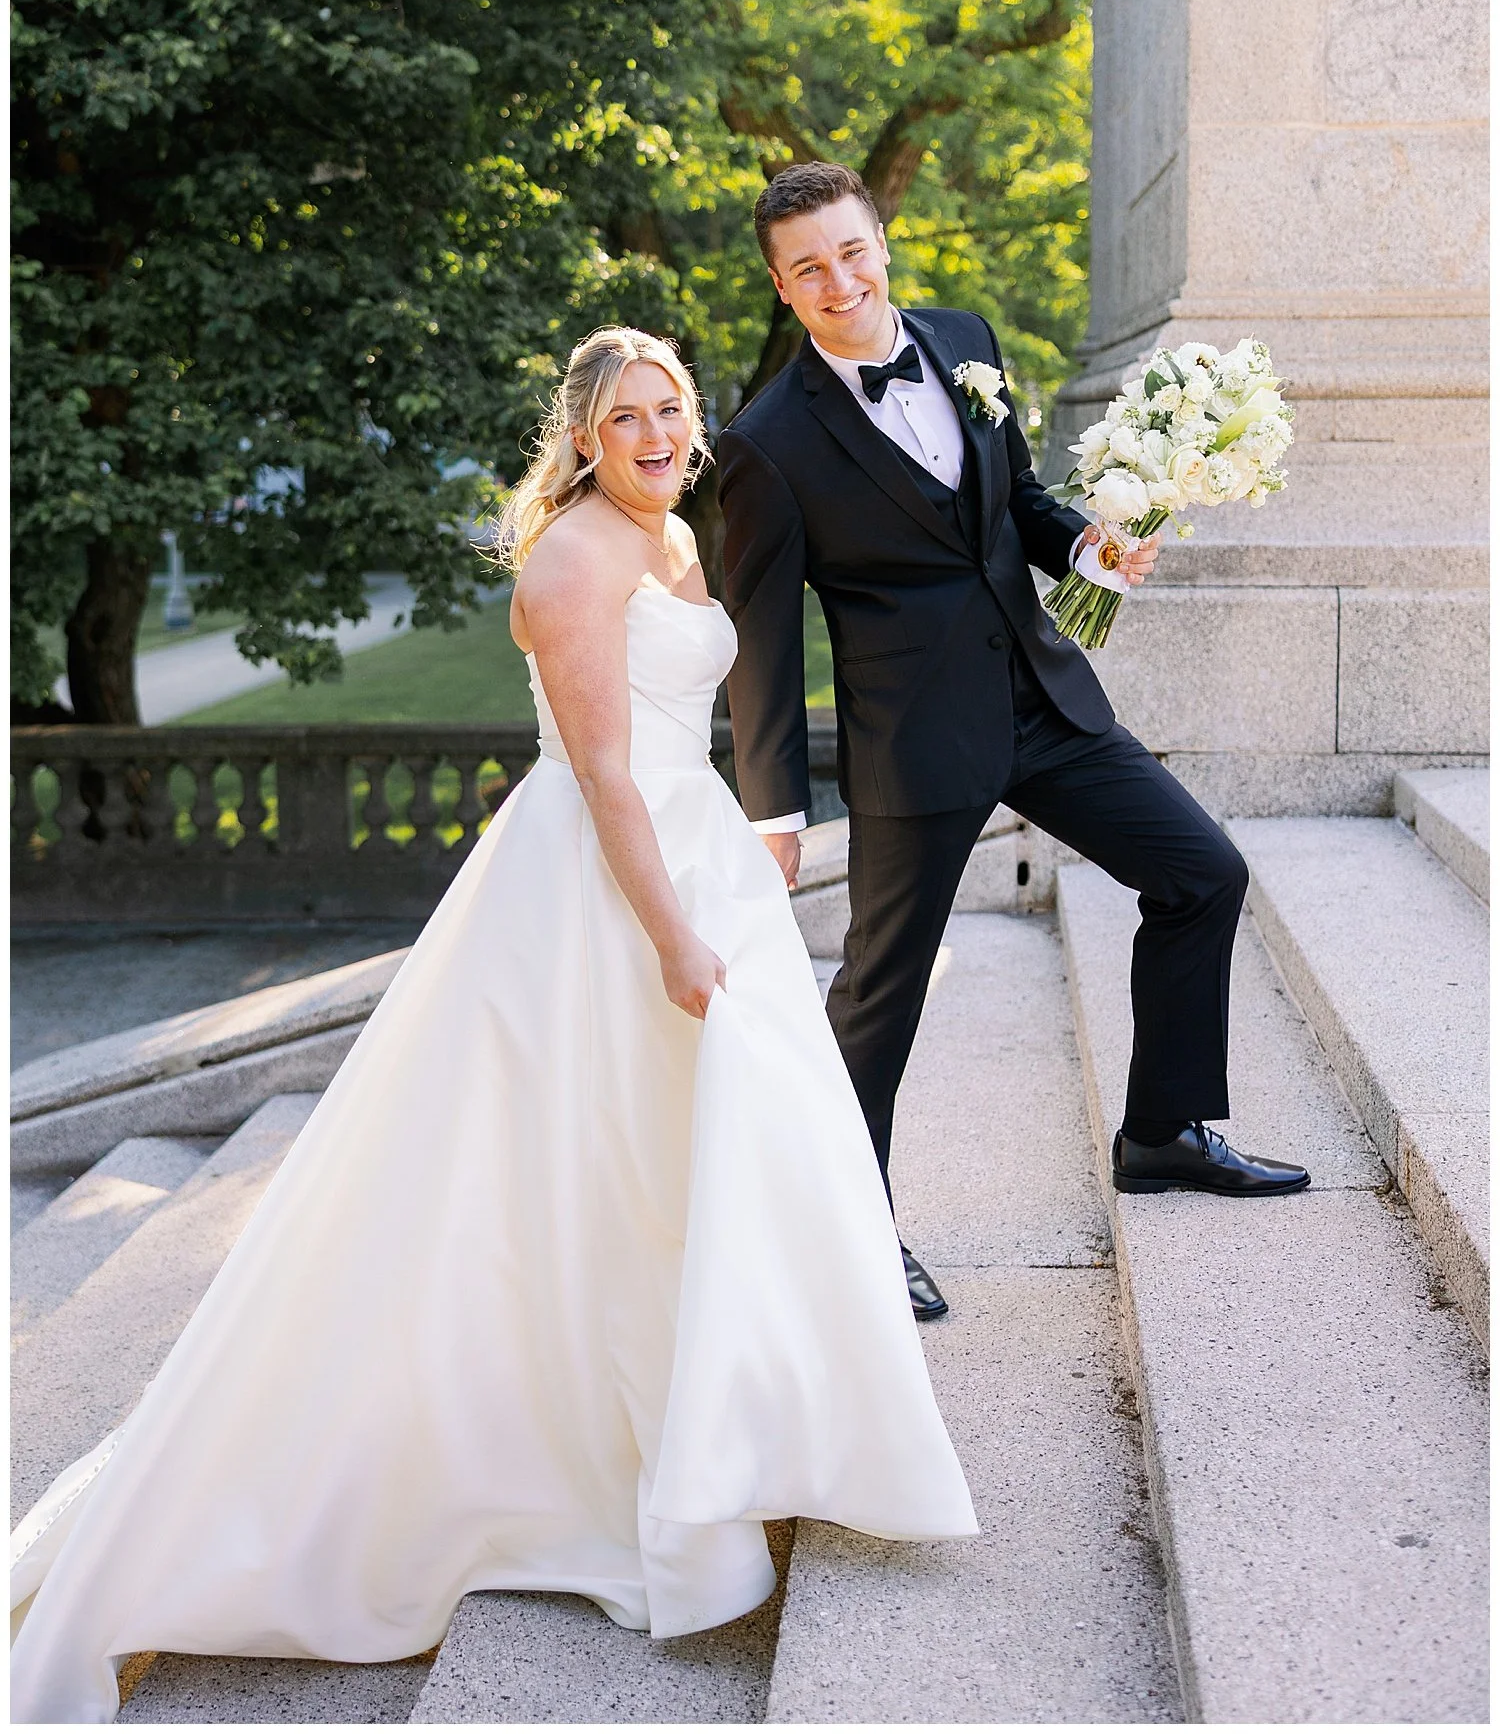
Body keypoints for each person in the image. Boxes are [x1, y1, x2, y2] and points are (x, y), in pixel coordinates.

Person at [10, 325, 976, 1726]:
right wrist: (674, 940)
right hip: (608, 889)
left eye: (672, 411)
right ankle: (630, 1460)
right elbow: (602, 779)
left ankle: (749, 1438)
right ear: (581, 435)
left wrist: (738, 855)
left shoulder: (671, 538)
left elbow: (685, 730)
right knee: (599, 1174)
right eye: (627, 417)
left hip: (696, 852)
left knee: (717, 1165)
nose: (656, 435)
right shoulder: (574, 562)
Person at [718, 163, 1309, 1324]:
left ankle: (1161, 1131)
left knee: (1202, 872)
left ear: (881, 240)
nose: (839, 280)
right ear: (784, 291)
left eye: (852, 251)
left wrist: (1087, 549)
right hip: (915, 742)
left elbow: (1013, 500)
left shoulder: (962, 338)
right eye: (808, 269)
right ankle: (850, 1223)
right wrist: (771, 810)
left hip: (1044, 702)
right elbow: (764, 636)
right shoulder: (766, 441)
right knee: (879, 994)